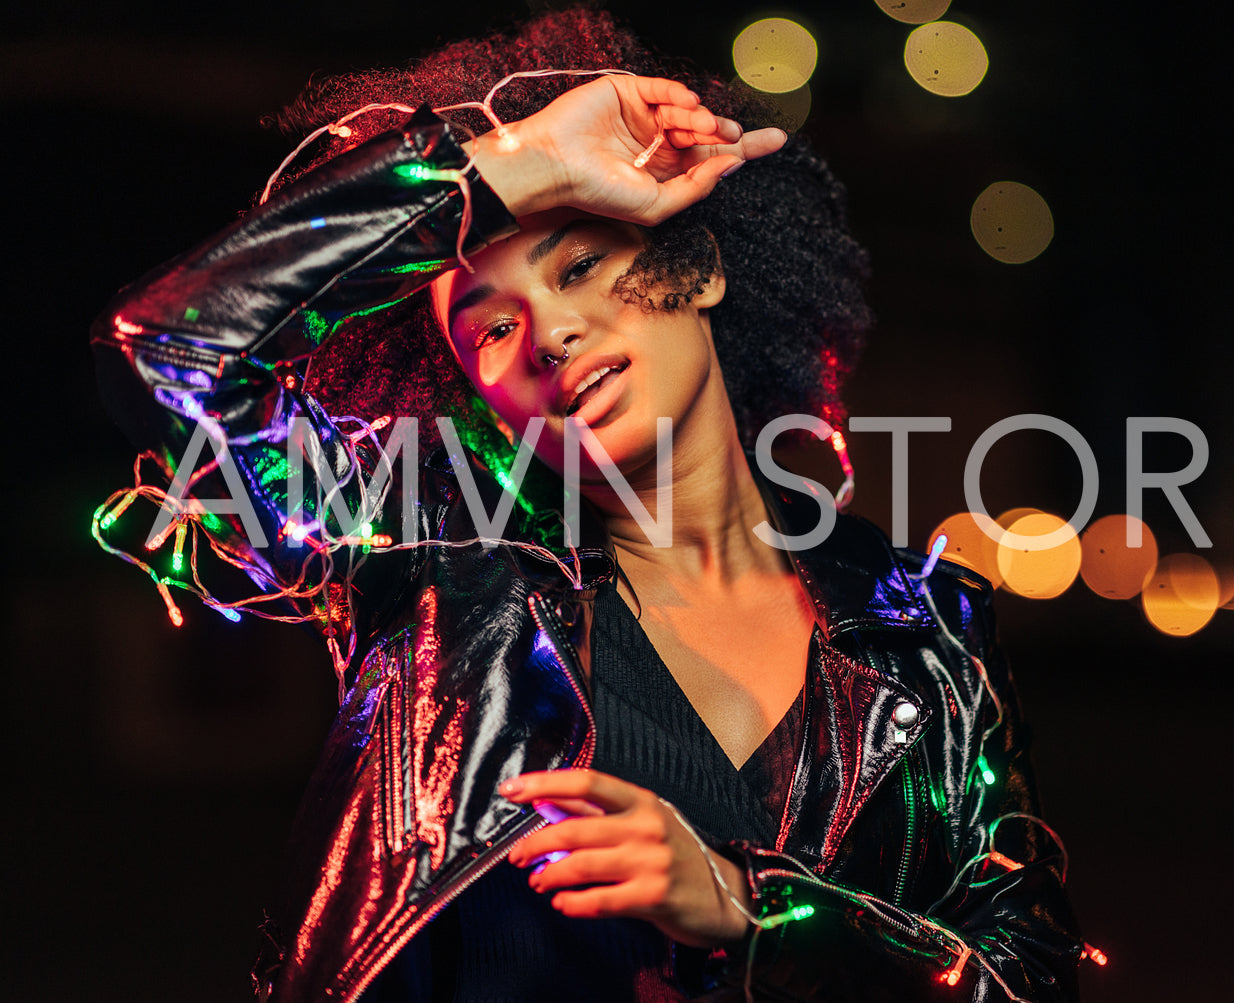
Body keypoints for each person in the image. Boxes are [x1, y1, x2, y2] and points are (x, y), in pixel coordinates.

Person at [91, 9, 1082, 1001]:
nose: (550, 335)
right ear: (469, 393)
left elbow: (1027, 976)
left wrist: (754, 914)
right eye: (489, 330)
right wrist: (509, 167)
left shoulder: (923, 630)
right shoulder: (426, 566)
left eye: (579, 267)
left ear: (694, 269)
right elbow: (169, 348)